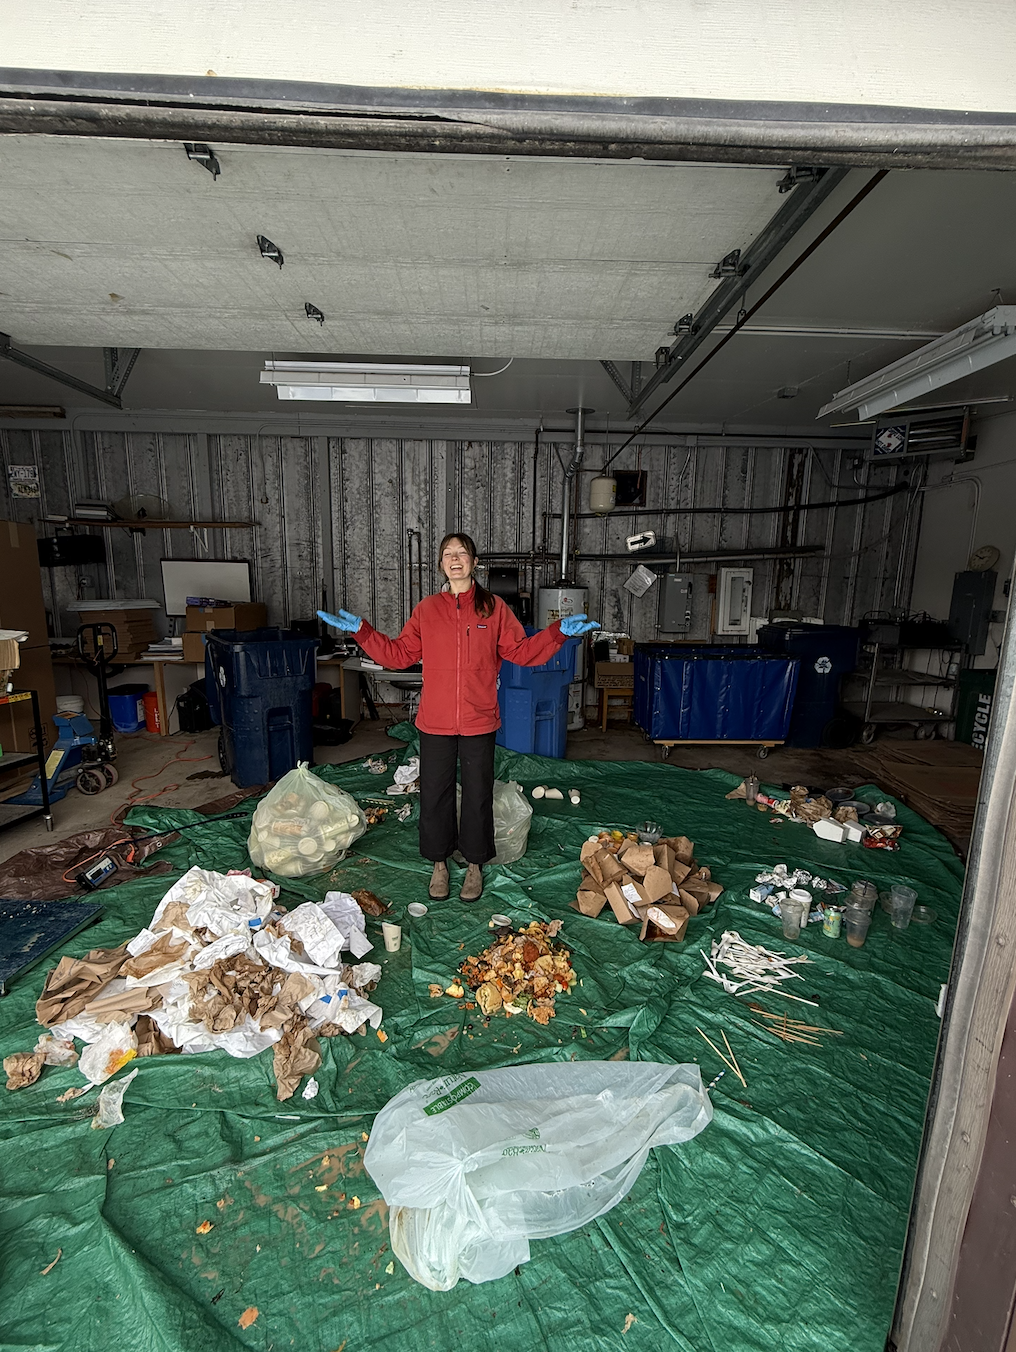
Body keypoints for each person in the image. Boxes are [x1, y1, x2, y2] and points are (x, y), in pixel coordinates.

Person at [318, 532, 598, 902]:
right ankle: (438, 864)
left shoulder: (493, 608)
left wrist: (557, 633)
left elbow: (522, 652)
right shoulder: (427, 609)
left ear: (474, 562)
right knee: (434, 793)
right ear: (440, 564)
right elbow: (400, 654)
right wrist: (363, 632)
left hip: (478, 718)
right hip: (435, 720)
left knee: (479, 794)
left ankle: (475, 865)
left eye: (461, 553)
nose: (454, 559)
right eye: (447, 553)